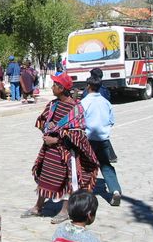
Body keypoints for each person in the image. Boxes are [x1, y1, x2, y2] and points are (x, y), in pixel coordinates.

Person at [22, 72, 99, 224]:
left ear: (62, 88)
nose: (52, 87)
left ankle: (64, 211)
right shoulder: (53, 105)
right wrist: (46, 130)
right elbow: (42, 120)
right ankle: (38, 207)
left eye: (55, 85)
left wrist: (56, 139)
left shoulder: (76, 109)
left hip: (67, 153)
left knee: (68, 181)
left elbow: (78, 133)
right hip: (49, 150)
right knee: (45, 177)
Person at [81, 76, 122, 206]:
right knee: (106, 165)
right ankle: (115, 190)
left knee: (86, 166)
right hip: (104, 139)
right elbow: (111, 121)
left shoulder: (84, 102)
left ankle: (86, 194)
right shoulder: (106, 102)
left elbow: (80, 121)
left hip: (89, 140)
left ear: (88, 86)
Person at [80, 68, 118, 163]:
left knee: (88, 162)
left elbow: (79, 113)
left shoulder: (86, 96)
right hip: (103, 125)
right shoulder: (104, 90)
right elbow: (111, 119)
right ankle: (111, 156)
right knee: (105, 164)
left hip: (90, 132)